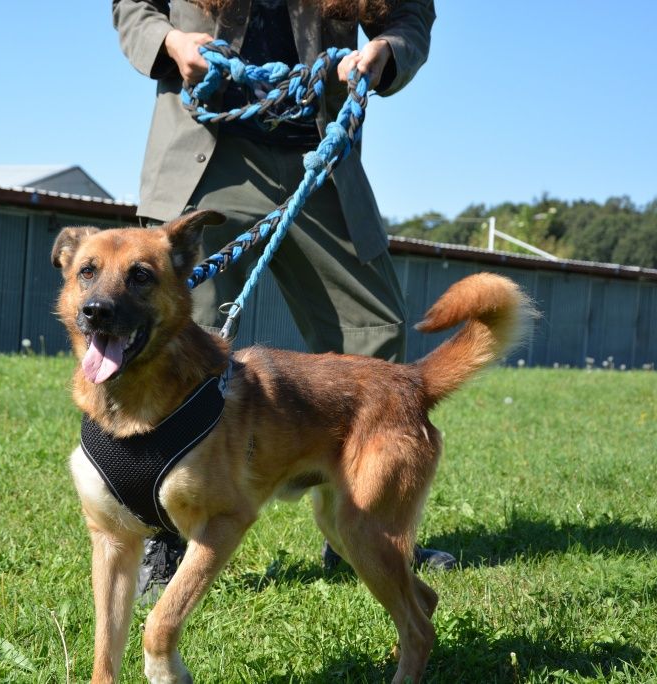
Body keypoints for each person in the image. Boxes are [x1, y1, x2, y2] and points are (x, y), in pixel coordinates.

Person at [112, 0, 452, 600]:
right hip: (210, 147)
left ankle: (365, 526)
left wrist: (387, 52)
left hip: (316, 151)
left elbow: (409, 16)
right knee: (176, 341)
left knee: (374, 325)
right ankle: (168, 536)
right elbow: (133, 6)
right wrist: (172, 43)